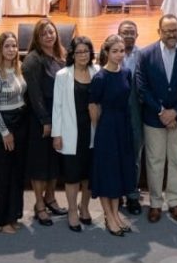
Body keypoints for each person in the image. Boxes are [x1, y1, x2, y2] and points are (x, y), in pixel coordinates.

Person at [136, 14, 177, 223]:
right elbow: (142, 87)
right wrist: (162, 111)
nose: (172, 34)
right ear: (159, 32)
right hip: (154, 119)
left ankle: (174, 201)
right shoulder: (146, 54)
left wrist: (176, 112)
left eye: (175, 30)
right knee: (154, 161)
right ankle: (155, 203)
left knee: (176, 161)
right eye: (168, 31)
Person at [89, 35, 136, 235]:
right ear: (106, 52)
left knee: (118, 171)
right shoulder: (100, 77)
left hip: (123, 126)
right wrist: (100, 129)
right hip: (107, 128)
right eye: (115, 51)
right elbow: (93, 106)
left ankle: (116, 214)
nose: (119, 55)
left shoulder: (126, 73)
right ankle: (108, 216)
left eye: (122, 51)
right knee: (107, 172)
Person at [22, 18, 67, 226]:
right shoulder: (33, 60)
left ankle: (51, 197)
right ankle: (39, 204)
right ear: (37, 38)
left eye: (51, 32)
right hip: (41, 119)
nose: (49, 36)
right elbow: (35, 95)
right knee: (40, 163)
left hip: (59, 116)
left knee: (54, 160)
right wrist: (45, 121)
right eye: (44, 34)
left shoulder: (60, 55)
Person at [51, 36, 98, 231]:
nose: (83, 55)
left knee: (88, 175)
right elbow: (57, 107)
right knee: (72, 175)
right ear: (72, 54)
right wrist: (57, 134)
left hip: (92, 130)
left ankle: (84, 207)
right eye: (79, 52)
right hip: (71, 131)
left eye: (86, 51)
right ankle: (72, 210)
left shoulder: (97, 72)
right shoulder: (63, 75)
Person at [0, 32, 27, 235]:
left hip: (19, 122)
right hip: (3, 126)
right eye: (7, 46)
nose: (11, 50)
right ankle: (2, 220)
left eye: (14, 46)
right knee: (3, 175)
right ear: (0, 49)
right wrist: (4, 132)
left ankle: (13, 215)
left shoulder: (18, 68)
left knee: (17, 174)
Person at [116, 20, 144, 215]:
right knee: (116, 153)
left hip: (136, 109)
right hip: (115, 110)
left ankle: (133, 194)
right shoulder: (109, 53)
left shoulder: (143, 55)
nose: (128, 36)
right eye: (124, 33)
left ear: (137, 35)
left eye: (131, 33)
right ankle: (116, 193)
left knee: (135, 154)